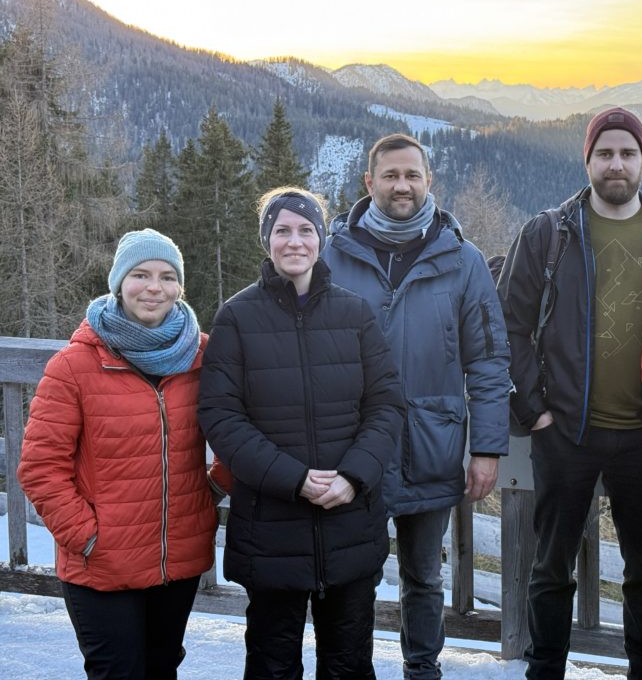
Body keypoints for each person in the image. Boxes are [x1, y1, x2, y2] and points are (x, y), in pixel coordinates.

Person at [497, 107, 642, 679]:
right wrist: (532, 411)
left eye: (627, 153)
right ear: (587, 159)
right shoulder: (548, 233)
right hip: (565, 432)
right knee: (551, 566)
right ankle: (544, 670)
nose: (616, 164)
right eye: (605, 153)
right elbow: (507, 324)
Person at [321, 137, 510, 680]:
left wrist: (489, 447)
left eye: (412, 175)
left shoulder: (463, 260)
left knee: (425, 575)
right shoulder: (333, 254)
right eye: (390, 175)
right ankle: (349, 668)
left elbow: (490, 359)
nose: (401, 185)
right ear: (369, 182)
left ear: (429, 181)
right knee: (352, 574)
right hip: (353, 448)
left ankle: (421, 669)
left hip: (434, 444)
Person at [198, 187, 405, 680]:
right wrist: (295, 479)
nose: (295, 241)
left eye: (306, 230)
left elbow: (386, 404)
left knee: (349, 663)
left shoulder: (355, 315)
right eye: (282, 230)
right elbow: (222, 416)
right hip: (271, 527)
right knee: (272, 663)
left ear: (322, 239)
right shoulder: (237, 318)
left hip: (349, 525)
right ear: (266, 240)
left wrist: (353, 476)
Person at [17, 228, 226, 679]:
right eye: (140, 274)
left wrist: (211, 488)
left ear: (180, 286)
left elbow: (239, 427)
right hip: (102, 564)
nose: (155, 287)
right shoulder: (75, 366)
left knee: (161, 666)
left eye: (168, 276)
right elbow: (40, 467)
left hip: (179, 557)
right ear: (118, 282)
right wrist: (90, 537)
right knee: (117, 672)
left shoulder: (203, 355)